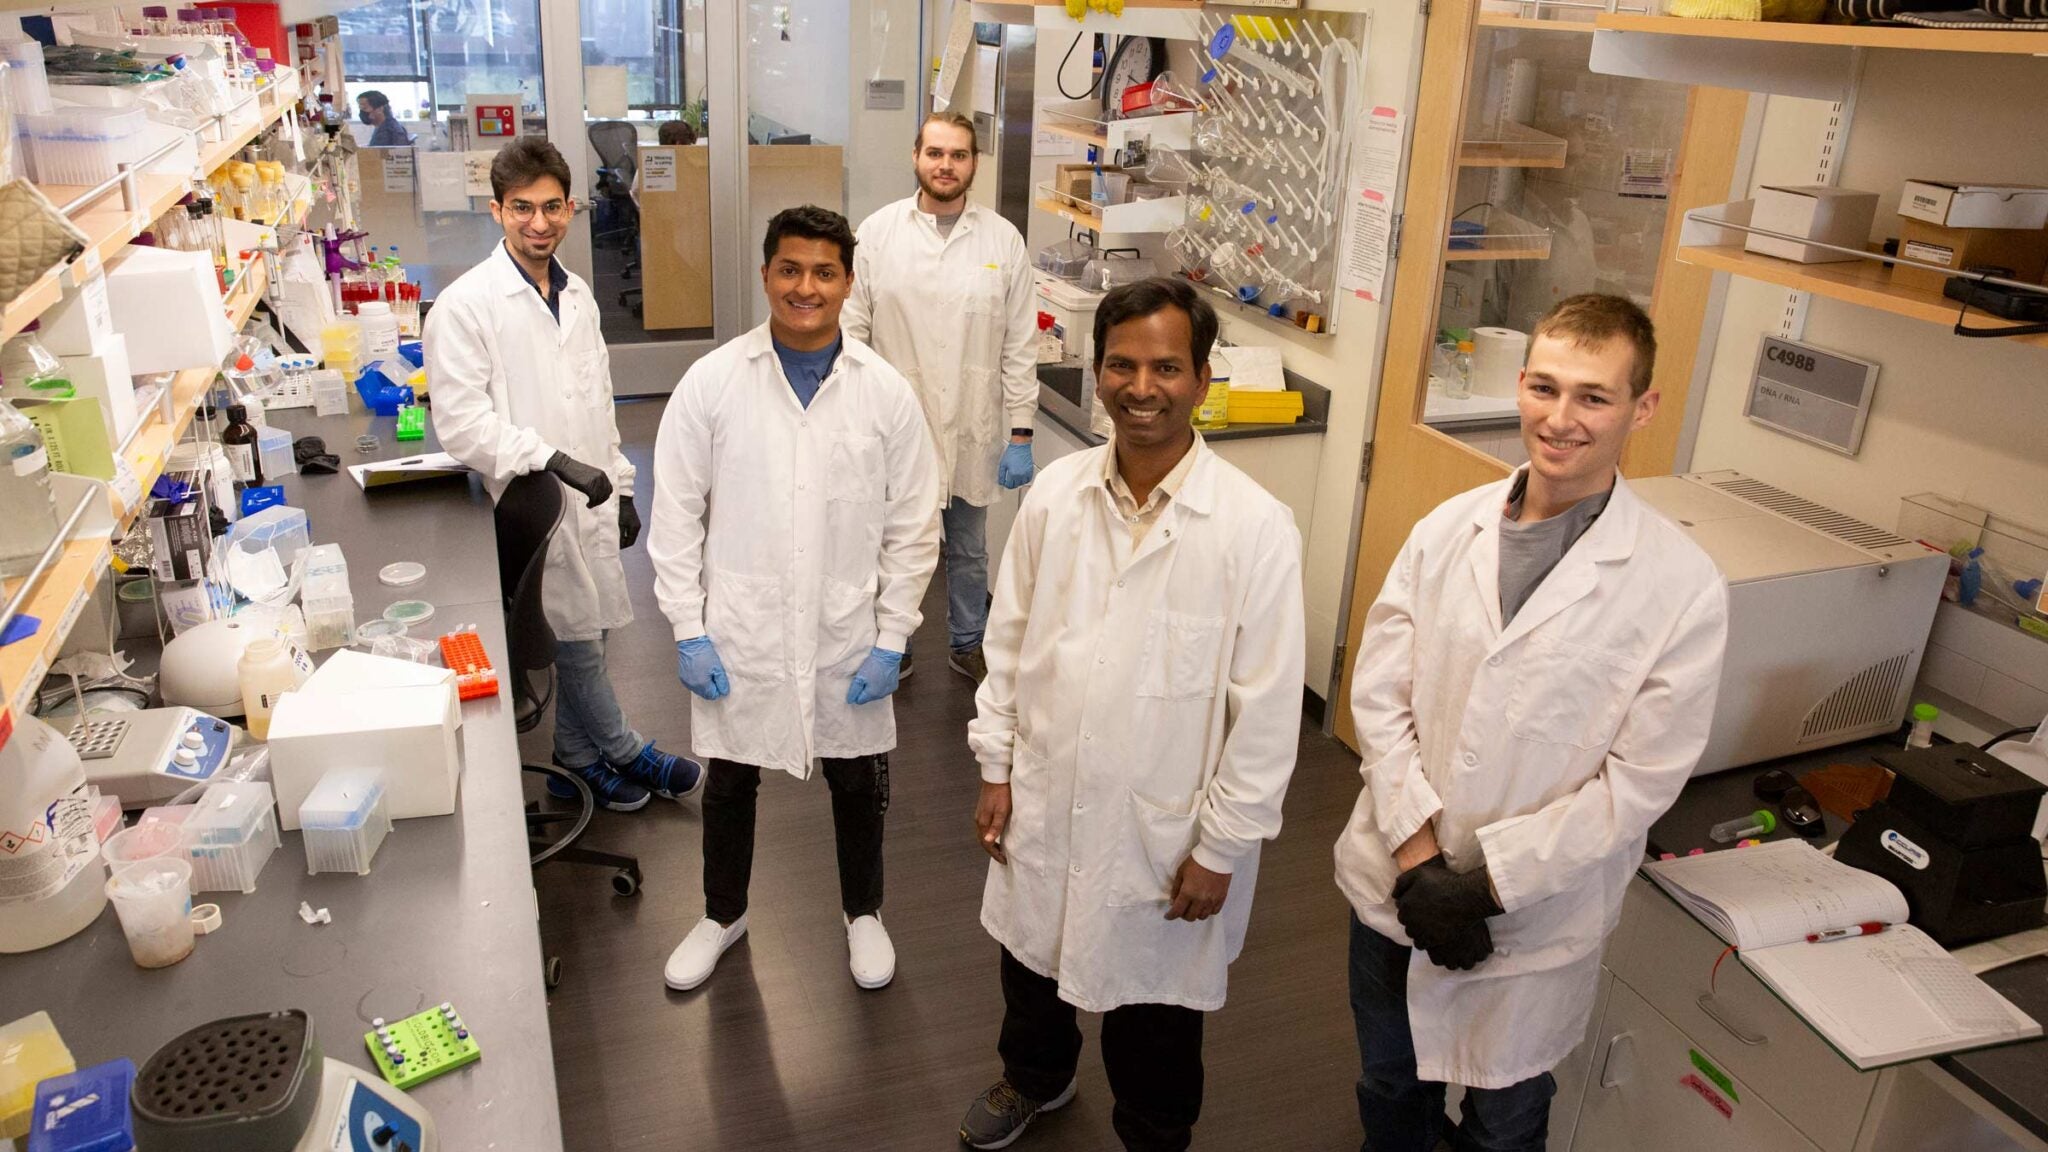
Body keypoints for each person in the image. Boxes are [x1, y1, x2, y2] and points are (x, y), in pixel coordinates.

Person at [1333, 294, 1729, 1151]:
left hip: (1534, 920)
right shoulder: (1448, 529)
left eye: (1594, 396)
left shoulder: (1680, 586)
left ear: (1642, 408)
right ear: (1519, 385)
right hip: (1395, 887)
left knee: (1505, 1119)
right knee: (1387, 1085)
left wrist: (1482, 887)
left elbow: (1638, 784)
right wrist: (1422, 862)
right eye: (1545, 389)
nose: (1561, 419)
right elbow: (1380, 695)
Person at [958, 279, 1306, 1152]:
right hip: (1045, 789)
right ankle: (1035, 1078)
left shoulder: (1254, 527)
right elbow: (1009, 643)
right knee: (1031, 965)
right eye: (1121, 364)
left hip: (1168, 828)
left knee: (1156, 1012)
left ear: (1202, 377)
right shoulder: (1054, 496)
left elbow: (1264, 714)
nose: (1140, 387)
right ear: (1097, 371)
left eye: (1165, 367)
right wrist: (995, 767)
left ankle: (1155, 1132)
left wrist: (1222, 848)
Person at [649, 205, 942, 993]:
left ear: (849, 281)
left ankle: (865, 913)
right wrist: (687, 627)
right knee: (733, 778)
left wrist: (893, 636)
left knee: (859, 777)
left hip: (845, 624)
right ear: (766, 274)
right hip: (739, 626)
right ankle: (721, 913)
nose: (805, 288)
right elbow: (674, 515)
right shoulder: (713, 383)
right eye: (790, 270)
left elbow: (915, 525)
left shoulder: (885, 394)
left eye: (823, 272)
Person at [425, 136, 704, 813]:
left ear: (572, 208)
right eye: (522, 208)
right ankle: (626, 749)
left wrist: (625, 486)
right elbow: (461, 426)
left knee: (598, 624)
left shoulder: (577, 294)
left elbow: (597, 400)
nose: (539, 223)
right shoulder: (466, 306)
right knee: (576, 638)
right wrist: (551, 460)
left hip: (594, 490)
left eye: (552, 208)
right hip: (532, 502)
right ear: (496, 210)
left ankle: (572, 763)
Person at [843, 112, 1038, 684]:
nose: (945, 165)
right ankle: (892, 643)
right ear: (916, 157)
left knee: (970, 550)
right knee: (890, 542)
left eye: (958, 155)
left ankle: (967, 641)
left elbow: (1020, 343)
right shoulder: (876, 233)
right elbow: (852, 332)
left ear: (974, 163)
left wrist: (1020, 431)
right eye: (935, 153)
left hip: (972, 422)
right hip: (894, 423)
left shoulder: (1002, 240)